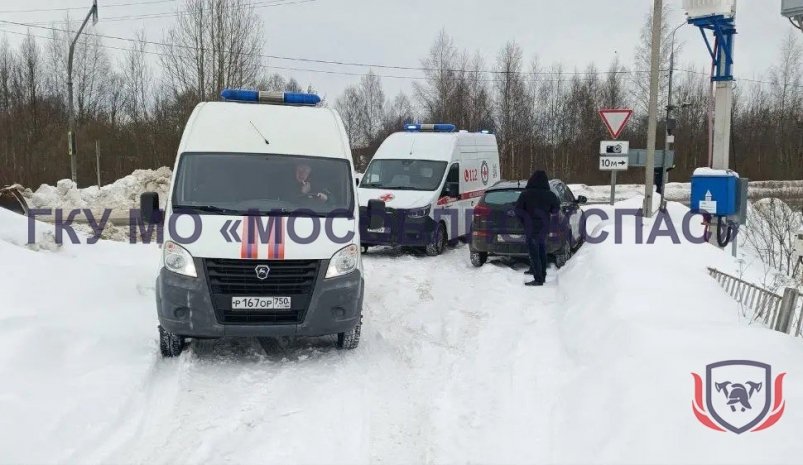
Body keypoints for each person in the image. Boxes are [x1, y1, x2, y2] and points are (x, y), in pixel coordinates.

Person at [515, 170, 560, 287]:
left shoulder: (525, 194)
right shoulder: (550, 195)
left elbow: (518, 210)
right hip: (544, 227)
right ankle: (542, 275)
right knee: (542, 251)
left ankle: (538, 279)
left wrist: (524, 221)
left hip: (530, 227)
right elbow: (555, 209)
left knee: (534, 253)